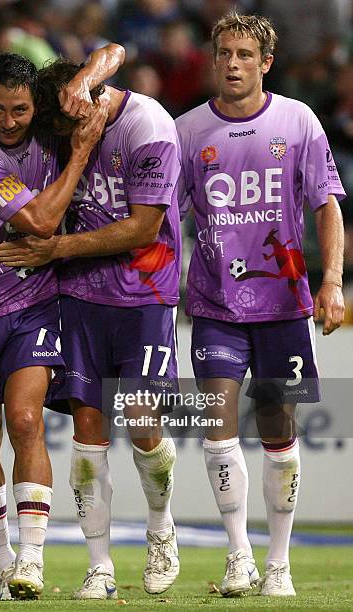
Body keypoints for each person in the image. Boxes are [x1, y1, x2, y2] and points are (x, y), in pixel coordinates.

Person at [0, 57, 182, 600]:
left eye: (70, 126)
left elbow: (144, 227)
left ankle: (160, 529)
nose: (67, 139)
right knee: (87, 433)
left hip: (144, 293)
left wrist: (58, 249)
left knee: (144, 426)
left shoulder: (148, 125)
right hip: (77, 296)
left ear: (88, 99)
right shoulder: (60, 132)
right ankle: (98, 565)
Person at [0, 45, 125, 601]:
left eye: (20, 110)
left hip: (33, 301)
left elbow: (113, 63)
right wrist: (80, 153)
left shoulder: (45, 129)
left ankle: (32, 560)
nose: (10, 121)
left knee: (25, 420)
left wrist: (89, 78)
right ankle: (0, 563)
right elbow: (41, 222)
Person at [175, 12, 345, 598]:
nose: (232, 63)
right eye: (223, 52)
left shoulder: (298, 121)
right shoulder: (187, 130)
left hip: (284, 303)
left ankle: (279, 561)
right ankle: (240, 555)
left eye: (244, 54)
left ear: (265, 62)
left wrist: (332, 282)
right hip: (216, 302)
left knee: (278, 427)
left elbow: (326, 203)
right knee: (217, 429)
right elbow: (163, 218)